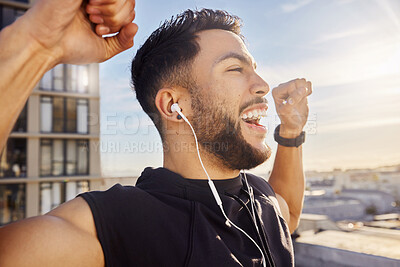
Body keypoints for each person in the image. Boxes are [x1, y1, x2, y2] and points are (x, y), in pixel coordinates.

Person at [0, 3, 312, 267]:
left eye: (254, 68)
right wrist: (37, 45)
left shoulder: (261, 196)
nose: (262, 84)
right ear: (173, 106)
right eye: (234, 69)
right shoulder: (119, 224)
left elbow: (290, 214)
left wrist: (291, 132)